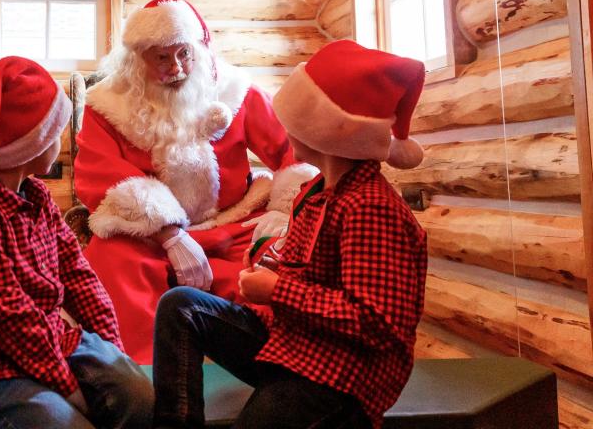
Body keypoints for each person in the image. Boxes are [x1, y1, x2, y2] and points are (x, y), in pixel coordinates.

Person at [152, 40, 429, 429]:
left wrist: (276, 291)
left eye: (295, 122)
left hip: (341, 375)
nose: (284, 130)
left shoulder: (370, 207)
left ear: (329, 133)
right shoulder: (316, 196)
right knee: (181, 306)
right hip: (295, 345)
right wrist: (273, 268)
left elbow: (377, 323)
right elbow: (314, 276)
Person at [74, 0, 316, 362]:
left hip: (234, 225)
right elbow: (102, 177)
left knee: (283, 259)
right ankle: (140, 375)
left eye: (184, 53)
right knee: (109, 261)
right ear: (137, 57)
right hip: (149, 238)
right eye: (161, 57)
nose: (177, 68)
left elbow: (292, 150)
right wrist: (170, 234)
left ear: (199, 49)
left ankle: (275, 369)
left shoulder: (236, 90)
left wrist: (285, 212)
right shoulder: (107, 105)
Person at [0, 56, 153, 429]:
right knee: (65, 423)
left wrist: (112, 349)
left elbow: (78, 274)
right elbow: (10, 320)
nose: (63, 142)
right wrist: (70, 390)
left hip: (51, 338)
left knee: (138, 397)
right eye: (55, 134)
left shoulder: (38, 197)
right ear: (28, 146)